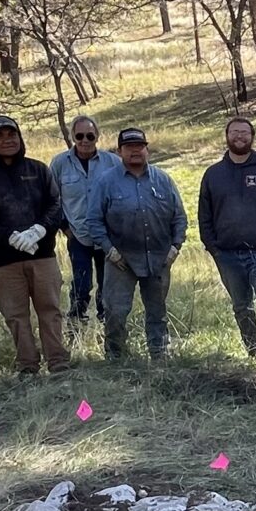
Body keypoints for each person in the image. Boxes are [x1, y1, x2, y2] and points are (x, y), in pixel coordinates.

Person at [0, 115, 71, 375]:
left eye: (12, 134)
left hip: (42, 255)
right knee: (16, 315)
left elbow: (55, 205)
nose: (7, 140)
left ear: (20, 138)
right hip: (2, 260)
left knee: (50, 310)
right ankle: (27, 365)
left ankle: (58, 361)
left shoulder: (39, 169)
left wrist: (39, 230)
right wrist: (9, 237)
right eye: (0, 135)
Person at [83, 127, 189, 358]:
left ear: (146, 150)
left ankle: (160, 355)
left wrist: (175, 247)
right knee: (115, 312)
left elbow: (179, 217)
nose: (135, 151)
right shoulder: (106, 182)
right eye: (129, 147)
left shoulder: (163, 180)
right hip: (120, 260)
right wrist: (110, 252)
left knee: (157, 311)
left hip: (159, 258)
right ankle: (116, 357)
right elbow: (93, 220)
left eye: (139, 146)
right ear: (120, 151)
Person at [197, 115, 256, 364]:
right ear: (227, 137)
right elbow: (204, 214)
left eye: (244, 132)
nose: (239, 136)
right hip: (226, 255)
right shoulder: (213, 174)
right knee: (241, 307)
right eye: (234, 132)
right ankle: (254, 352)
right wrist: (214, 247)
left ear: (252, 137)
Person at [50, 113, 108, 326]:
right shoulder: (59, 164)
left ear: (97, 137)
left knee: (107, 285)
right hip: (77, 236)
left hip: (106, 238)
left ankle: (107, 329)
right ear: (73, 136)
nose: (85, 140)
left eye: (90, 136)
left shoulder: (112, 162)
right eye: (80, 135)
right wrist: (65, 229)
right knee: (81, 285)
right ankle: (75, 328)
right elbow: (51, 198)